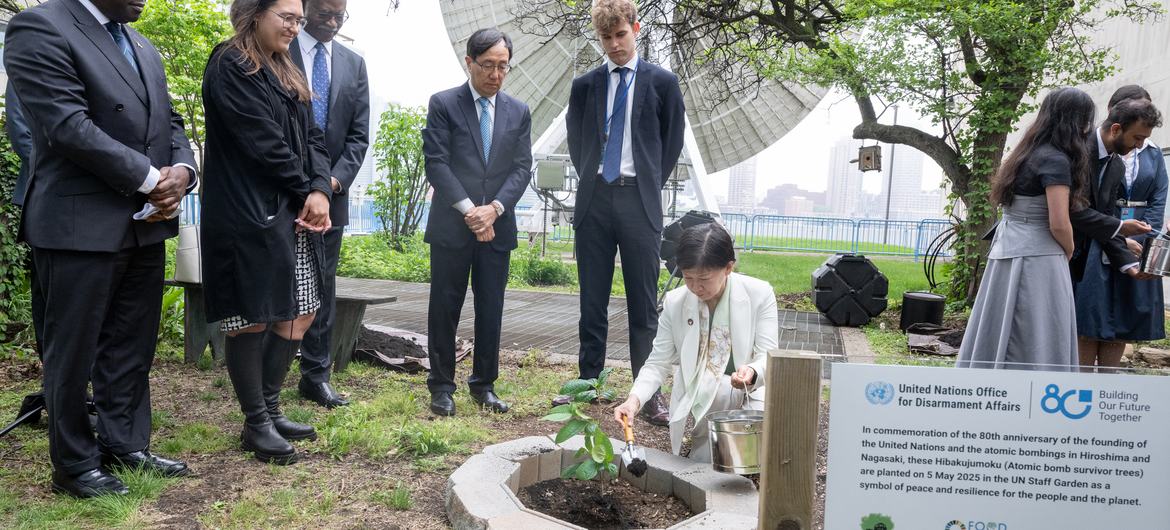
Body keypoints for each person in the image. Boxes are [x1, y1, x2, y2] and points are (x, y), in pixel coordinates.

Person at [4, 0, 197, 497]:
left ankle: (124, 443)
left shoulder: (142, 45)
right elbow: (66, 125)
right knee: (73, 353)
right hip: (78, 224)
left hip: (145, 223)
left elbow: (171, 122)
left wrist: (183, 171)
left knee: (131, 345)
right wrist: (151, 179)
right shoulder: (40, 27)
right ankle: (74, 464)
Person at [201, 0, 333, 465]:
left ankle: (272, 410)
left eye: (299, 19)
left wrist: (319, 188)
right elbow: (263, 145)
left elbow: (314, 138)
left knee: (299, 313)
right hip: (249, 217)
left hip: (292, 210)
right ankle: (255, 423)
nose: (296, 27)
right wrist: (309, 193)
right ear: (255, 13)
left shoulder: (286, 66)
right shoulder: (231, 63)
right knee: (253, 316)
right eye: (287, 17)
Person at [957, 87, 1146, 371]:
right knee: (1038, 331)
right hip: (1039, 255)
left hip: (1007, 249)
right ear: (1076, 120)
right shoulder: (1056, 160)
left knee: (1000, 326)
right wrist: (1068, 249)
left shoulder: (1026, 153)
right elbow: (1060, 220)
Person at [561, 0, 686, 426]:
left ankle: (646, 394)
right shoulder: (585, 86)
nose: (614, 45)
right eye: (605, 38)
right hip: (596, 199)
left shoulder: (663, 83)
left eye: (620, 35)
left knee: (643, 304)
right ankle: (588, 383)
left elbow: (670, 145)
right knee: (591, 300)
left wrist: (644, 182)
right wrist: (597, 179)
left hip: (639, 202)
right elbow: (578, 143)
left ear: (636, 29)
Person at [421, 27, 533, 417]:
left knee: (491, 307)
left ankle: (483, 384)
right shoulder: (444, 104)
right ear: (469, 62)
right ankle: (441, 386)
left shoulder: (518, 111)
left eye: (504, 66)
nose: (496, 75)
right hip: (453, 226)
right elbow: (437, 163)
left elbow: (521, 169)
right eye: (488, 65)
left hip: (497, 227)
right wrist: (471, 210)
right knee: (445, 306)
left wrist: (495, 209)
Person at [613, 223, 776, 460]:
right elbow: (657, 363)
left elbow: (768, 356)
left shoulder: (759, 294)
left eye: (704, 278)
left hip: (752, 395)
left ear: (729, 268)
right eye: (688, 277)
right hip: (706, 397)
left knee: (749, 456)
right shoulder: (676, 302)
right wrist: (633, 400)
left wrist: (751, 371)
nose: (696, 288)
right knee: (706, 462)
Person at [290, 0, 370, 409]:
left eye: (340, 15)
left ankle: (315, 374)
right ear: (304, 8)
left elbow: (358, 137)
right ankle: (269, 370)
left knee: (322, 284)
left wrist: (329, 185)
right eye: (324, 12)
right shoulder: (277, 49)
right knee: (279, 279)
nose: (333, 21)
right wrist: (302, 187)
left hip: (331, 198)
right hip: (281, 192)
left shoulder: (354, 65)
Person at [1075, 88, 1165, 370]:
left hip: (1134, 237)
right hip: (1098, 236)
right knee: (1090, 314)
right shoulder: (1092, 151)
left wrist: (1143, 240)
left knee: (1123, 316)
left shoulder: (1152, 154)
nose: (1140, 143)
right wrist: (1118, 234)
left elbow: (1158, 200)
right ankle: (1081, 383)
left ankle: (1109, 386)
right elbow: (1089, 207)